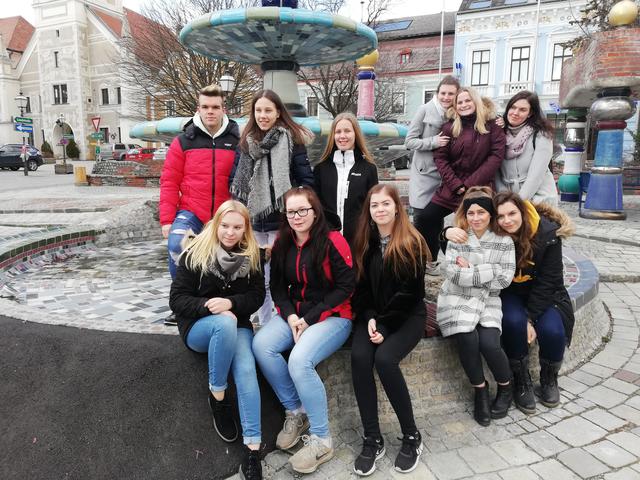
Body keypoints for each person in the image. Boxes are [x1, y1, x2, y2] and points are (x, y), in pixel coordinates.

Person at [252, 186, 355, 475]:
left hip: (334, 316)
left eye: (302, 210)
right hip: (297, 315)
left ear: (315, 211)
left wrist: (307, 319)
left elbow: (346, 287)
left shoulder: (334, 241)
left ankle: (322, 439)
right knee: (262, 345)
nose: (296, 217)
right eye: (291, 212)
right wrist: (292, 316)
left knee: (299, 360)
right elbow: (276, 288)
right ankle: (296, 411)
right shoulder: (284, 242)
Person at [169, 200, 265, 480]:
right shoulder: (194, 253)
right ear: (216, 224)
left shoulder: (252, 256)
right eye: (225, 225)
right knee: (224, 322)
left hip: (238, 324)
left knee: (247, 370)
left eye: (237, 227)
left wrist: (231, 302)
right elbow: (176, 301)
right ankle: (218, 396)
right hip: (200, 328)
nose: (230, 232)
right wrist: (211, 306)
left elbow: (256, 298)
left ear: (245, 229)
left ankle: (252, 451)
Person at [350, 184, 429, 475]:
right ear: (369, 211)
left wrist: (385, 324)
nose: (380, 210)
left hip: (407, 316)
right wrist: (370, 315)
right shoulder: (364, 241)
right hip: (374, 316)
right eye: (374, 205)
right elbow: (359, 288)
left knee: (384, 359)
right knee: (360, 357)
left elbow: (411, 293)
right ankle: (372, 437)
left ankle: (411, 436)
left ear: (397, 207)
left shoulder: (411, 241)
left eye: (385, 204)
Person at [230, 89, 315, 325]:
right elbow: (234, 182)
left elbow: (306, 181)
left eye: (268, 110)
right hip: (254, 223)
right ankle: (266, 324)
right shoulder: (246, 143)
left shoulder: (292, 141)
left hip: (282, 222)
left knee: (278, 277)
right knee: (260, 279)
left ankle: (280, 324)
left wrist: (293, 207)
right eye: (258, 110)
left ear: (278, 112)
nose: (262, 115)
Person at [160, 84, 240, 325]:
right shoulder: (183, 141)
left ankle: (221, 304)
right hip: (192, 211)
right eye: (205, 107)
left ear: (223, 109)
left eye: (215, 107)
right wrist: (166, 220)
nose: (210, 112)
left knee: (226, 260)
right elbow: (169, 181)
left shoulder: (237, 140)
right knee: (176, 244)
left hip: (224, 215)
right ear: (198, 108)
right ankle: (182, 304)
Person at [437, 187, 516, 426]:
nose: (476, 218)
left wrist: (470, 270)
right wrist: (489, 270)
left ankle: (506, 386)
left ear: (491, 214)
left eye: (481, 212)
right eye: (471, 213)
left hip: (489, 300)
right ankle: (480, 390)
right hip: (456, 298)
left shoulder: (504, 241)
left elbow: (505, 279)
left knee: (490, 343)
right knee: (467, 337)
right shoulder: (458, 237)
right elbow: (449, 273)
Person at [493, 192, 574, 412]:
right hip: (511, 293)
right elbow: (465, 235)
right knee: (512, 323)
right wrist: (446, 232)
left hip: (545, 294)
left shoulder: (547, 234)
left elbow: (550, 281)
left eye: (512, 213)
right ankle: (521, 380)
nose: (507, 220)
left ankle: (549, 379)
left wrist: (531, 317)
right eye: (500, 216)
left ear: (522, 211)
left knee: (553, 331)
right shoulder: (496, 235)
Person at [418, 87, 506, 273]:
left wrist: (468, 186)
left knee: (477, 227)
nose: (464, 104)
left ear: (476, 102)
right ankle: (433, 259)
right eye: (460, 102)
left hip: (480, 189)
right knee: (426, 218)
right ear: (455, 106)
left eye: (468, 100)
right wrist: (456, 185)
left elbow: (495, 158)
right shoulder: (449, 127)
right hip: (452, 188)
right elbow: (440, 158)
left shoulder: (492, 127)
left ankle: (477, 265)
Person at [405, 75, 460, 252]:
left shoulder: (458, 112)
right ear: (437, 93)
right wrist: (433, 142)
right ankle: (418, 257)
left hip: (446, 174)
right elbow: (410, 141)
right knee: (421, 218)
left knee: (436, 219)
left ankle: (433, 260)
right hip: (424, 174)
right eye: (443, 93)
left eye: (451, 93)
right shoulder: (424, 110)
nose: (446, 97)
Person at [314, 112, 378, 245]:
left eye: (347, 131)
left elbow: (373, 206)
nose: (342, 136)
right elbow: (317, 206)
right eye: (338, 132)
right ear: (333, 135)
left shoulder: (369, 169)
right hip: (328, 240)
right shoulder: (321, 169)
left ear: (356, 134)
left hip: (358, 240)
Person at [495, 91, 558, 206]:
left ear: (530, 113)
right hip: (507, 198)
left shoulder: (541, 135)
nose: (515, 113)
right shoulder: (499, 133)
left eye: (522, 110)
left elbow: (536, 176)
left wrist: (517, 203)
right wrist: (504, 198)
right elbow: (495, 171)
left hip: (539, 199)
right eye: (513, 107)